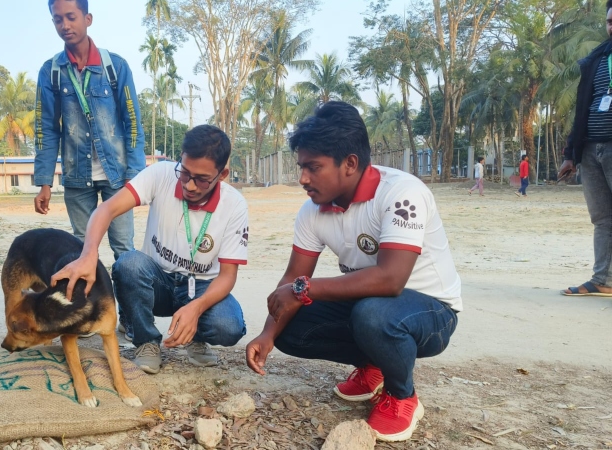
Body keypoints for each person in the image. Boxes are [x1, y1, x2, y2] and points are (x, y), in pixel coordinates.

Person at [245, 102, 462, 442]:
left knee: (373, 314)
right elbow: (293, 279)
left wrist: (305, 289)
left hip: (431, 312)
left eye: (313, 167)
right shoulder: (312, 211)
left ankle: (402, 395)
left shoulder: (402, 193)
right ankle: (376, 366)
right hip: (372, 306)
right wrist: (267, 335)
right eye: (302, 167)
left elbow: (390, 280)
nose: (303, 178)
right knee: (290, 327)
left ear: (350, 164)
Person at [51, 125, 249, 374]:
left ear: (222, 175)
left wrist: (196, 308)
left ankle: (196, 337)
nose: (189, 185)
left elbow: (228, 276)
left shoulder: (235, 205)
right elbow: (106, 209)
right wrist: (88, 254)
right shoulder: (161, 175)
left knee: (228, 326)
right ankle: (145, 342)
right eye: (185, 173)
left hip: (201, 287)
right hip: (159, 281)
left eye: (201, 179)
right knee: (128, 263)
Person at [33, 0, 145, 262]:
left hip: (117, 178)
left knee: (124, 250)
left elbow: (133, 124)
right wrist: (44, 182)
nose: (65, 25)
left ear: (88, 18)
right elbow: (46, 129)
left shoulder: (115, 67)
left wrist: (134, 176)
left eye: (71, 17)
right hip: (75, 177)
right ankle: (87, 305)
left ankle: (127, 304)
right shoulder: (51, 72)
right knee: (81, 250)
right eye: (58, 19)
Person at [558, 0, 612, 297]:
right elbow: (582, 109)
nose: (611, 26)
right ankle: (602, 279)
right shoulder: (597, 59)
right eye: (610, 22)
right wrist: (570, 155)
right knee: (602, 218)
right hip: (591, 151)